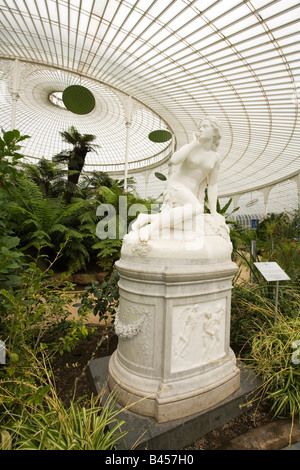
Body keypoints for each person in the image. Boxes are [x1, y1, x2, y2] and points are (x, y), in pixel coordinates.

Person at [132, 116, 222, 241]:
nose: (201, 129)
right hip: (176, 186)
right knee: (197, 208)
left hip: (190, 195)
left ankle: (146, 218)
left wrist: (214, 212)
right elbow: (174, 160)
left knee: (189, 225)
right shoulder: (191, 147)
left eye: (205, 126)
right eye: (200, 126)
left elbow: (212, 184)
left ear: (214, 132)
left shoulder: (215, 157)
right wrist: (193, 143)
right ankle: (149, 228)